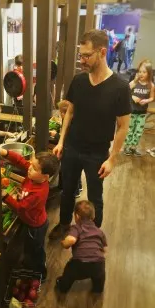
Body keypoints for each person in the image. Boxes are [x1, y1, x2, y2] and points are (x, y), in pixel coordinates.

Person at [49, 29, 131, 240]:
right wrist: (61, 141)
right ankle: (65, 224)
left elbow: (123, 126)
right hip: (73, 147)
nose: (82, 60)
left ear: (102, 52)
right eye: (80, 55)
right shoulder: (79, 81)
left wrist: (113, 159)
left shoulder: (120, 87)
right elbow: (69, 112)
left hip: (97, 152)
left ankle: (92, 236)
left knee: (95, 197)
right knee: (67, 190)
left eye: (86, 56)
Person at [0, 147, 59, 281]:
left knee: (35, 250)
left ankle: (40, 273)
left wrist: (5, 197)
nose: (29, 168)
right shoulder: (33, 175)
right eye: (31, 165)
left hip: (35, 226)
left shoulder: (38, 193)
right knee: (30, 247)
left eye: (34, 168)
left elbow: (21, 208)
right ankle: (28, 263)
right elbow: (20, 161)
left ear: (46, 177)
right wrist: (6, 153)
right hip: (32, 220)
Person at [56, 200, 107, 293]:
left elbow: (71, 240)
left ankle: (62, 286)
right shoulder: (99, 231)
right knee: (100, 275)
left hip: (80, 264)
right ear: (93, 217)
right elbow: (104, 248)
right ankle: (98, 288)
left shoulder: (77, 227)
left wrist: (64, 243)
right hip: (98, 263)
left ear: (76, 216)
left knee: (69, 272)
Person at [49, 100, 83, 197]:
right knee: (76, 171)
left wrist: (56, 135)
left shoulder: (72, 125)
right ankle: (78, 187)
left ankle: (75, 192)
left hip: (72, 150)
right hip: (77, 151)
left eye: (60, 113)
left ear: (64, 113)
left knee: (72, 173)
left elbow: (66, 139)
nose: (60, 115)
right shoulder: (76, 120)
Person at [124, 59, 154, 156]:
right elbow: (126, 90)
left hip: (142, 113)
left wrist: (146, 100)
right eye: (140, 71)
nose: (141, 74)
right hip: (132, 111)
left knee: (138, 131)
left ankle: (133, 147)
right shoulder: (135, 82)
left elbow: (152, 98)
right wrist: (133, 97)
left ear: (149, 73)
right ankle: (126, 147)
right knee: (129, 130)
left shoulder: (151, 85)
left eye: (144, 72)